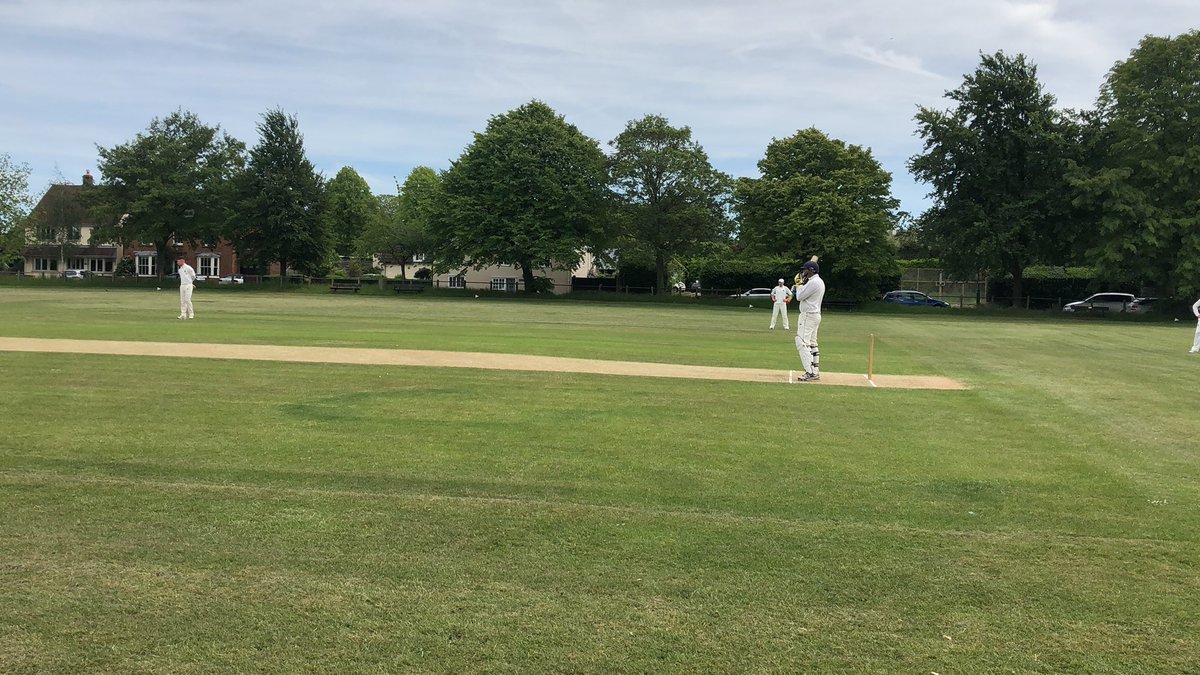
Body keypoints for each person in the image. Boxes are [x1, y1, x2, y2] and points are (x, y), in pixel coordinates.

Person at [792, 257, 825, 382]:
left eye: (805, 270)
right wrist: (801, 285)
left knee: (801, 342)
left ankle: (810, 372)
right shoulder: (817, 281)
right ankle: (814, 371)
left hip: (808, 316)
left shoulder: (814, 282)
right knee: (812, 343)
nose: (803, 272)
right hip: (814, 315)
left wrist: (799, 284)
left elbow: (799, 297)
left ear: (811, 270)